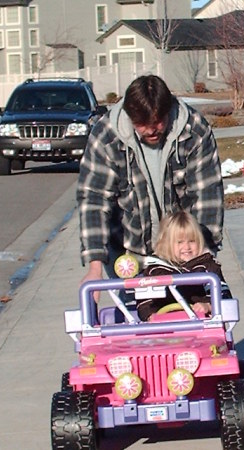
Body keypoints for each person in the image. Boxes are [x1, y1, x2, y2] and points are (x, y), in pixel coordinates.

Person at [77, 75, 224, 300]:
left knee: (193, 317)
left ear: (168, 110)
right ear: (129, 116)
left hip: (182, 249)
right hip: (129, 251)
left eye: (158, 121)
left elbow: (207, 194)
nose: (151, 130)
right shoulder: (106, 136)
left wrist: (204, 252)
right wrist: (95, 268)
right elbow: (94, 200)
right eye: (142, 124)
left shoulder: (193, 130)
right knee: (139, 319)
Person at [136, 210, 231, 321]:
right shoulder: (155, 270)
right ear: (166, 243)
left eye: (192, 241)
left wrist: (208, 305)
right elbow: (145, 301)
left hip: (201, 323)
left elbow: (223, 294)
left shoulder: (207, 267)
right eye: (180, 242)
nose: (186, 247)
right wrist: (150, 315)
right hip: (166, 322)